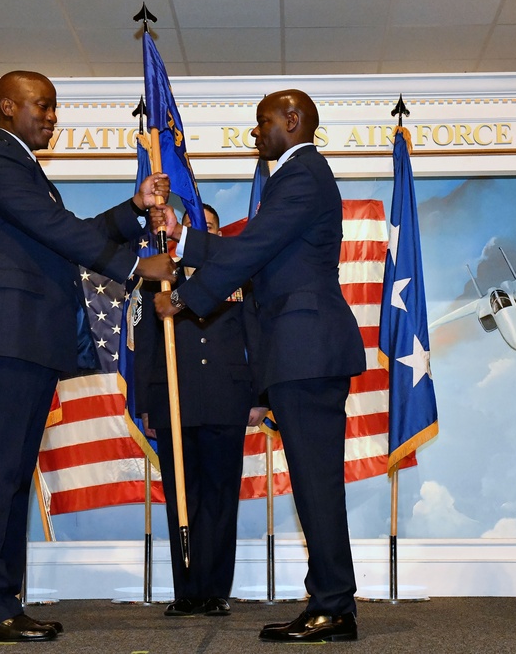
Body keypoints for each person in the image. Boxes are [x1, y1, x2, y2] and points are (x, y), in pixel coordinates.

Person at [0, 70, 176, 642]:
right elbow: (58, 229)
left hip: (25, 338)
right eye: (41, 106)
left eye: (54, 107)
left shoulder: (24, 169)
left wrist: (134, 206)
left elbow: (62, 234)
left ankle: (2, 604)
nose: (52, 116)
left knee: (10, 475)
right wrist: (133, 265)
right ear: (6, 107)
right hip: (4, 334)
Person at [154, 89, 366, 643]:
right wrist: (184, 246)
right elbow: (256, 251)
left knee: (316, 483)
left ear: (292, 122)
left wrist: (183, 298)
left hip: (307, 348)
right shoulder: (296, 178)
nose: (256, 132)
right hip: (299, 351)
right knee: (312, 482)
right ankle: (330, 600)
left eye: (262, 121)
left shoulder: (302, 174)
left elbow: (254, 249)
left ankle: (334, 606)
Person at [134, 204, 267, 618]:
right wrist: (146, 405)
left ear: (218, 234)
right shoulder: (160, 279)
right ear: (186, 232)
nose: (206, 231)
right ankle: (187, 590)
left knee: (221, 497)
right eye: (200, 227)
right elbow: (145, 346)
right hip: (176, 399)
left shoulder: (240, 278)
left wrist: (261, 397)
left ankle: (215, 591)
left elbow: (256, 338)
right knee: (181, 498)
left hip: (228, 399)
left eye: (212, 227)